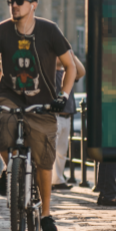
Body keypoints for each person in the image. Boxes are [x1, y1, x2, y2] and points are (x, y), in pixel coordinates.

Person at [0, 0, 77, 231]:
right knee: (4, 135)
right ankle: (11, 172)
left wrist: (62, 96)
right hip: (10, 96)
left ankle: (45, 215)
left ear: (32, 5)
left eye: (18, 1)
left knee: (44, 159)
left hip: (43, 101)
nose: (14, 6)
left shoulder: (49, 30)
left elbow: (71, 67)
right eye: (11, 2)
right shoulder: (2, 31)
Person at [52, 54, 85, 191]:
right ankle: (47, 180)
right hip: (53, 116)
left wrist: (71, 53)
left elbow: (81, 71)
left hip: (67, 117)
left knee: (62, 152)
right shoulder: (48, 73)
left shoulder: (69, 72)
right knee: (50, 151)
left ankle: (58, 179)